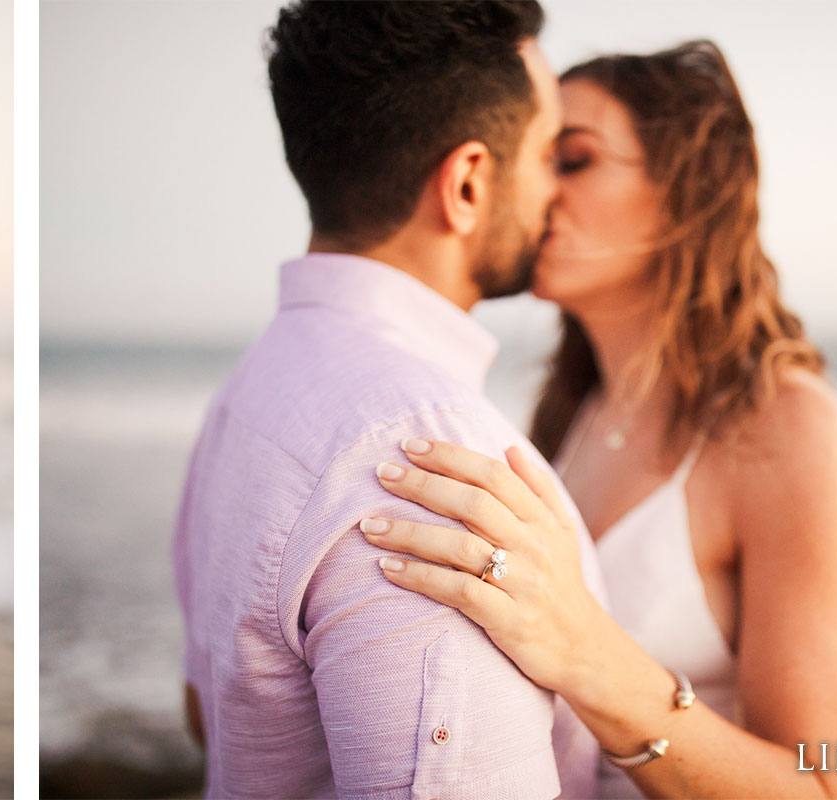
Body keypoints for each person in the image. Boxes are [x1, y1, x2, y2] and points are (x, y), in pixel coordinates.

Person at [362, 40, 837, 798]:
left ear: (686, 189)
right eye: (533, 160)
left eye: (572, 159)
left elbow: (820, 790)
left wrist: (586, 652)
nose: (534, 190)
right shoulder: (568, 413)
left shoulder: (789, 431)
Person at [171, 2, 609, 797]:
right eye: (550, 154)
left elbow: (208, 714)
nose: (557, 192)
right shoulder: (437, 467)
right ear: (469, 183)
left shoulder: (245, 394)